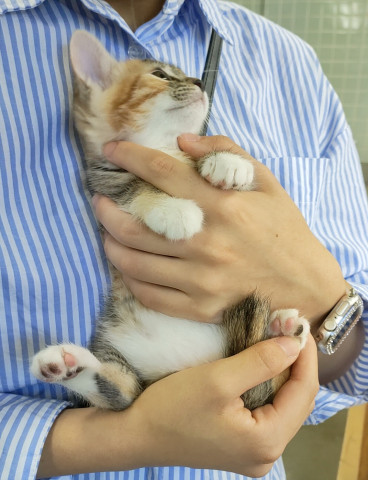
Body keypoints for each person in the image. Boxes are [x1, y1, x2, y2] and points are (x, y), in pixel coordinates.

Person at [0, 0, 367, 479]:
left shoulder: (288, 60)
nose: (192, 83)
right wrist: (118, 439)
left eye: (192, 81)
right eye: (163, 77)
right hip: (134, 356)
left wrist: (322, 297)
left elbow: (356, 356)